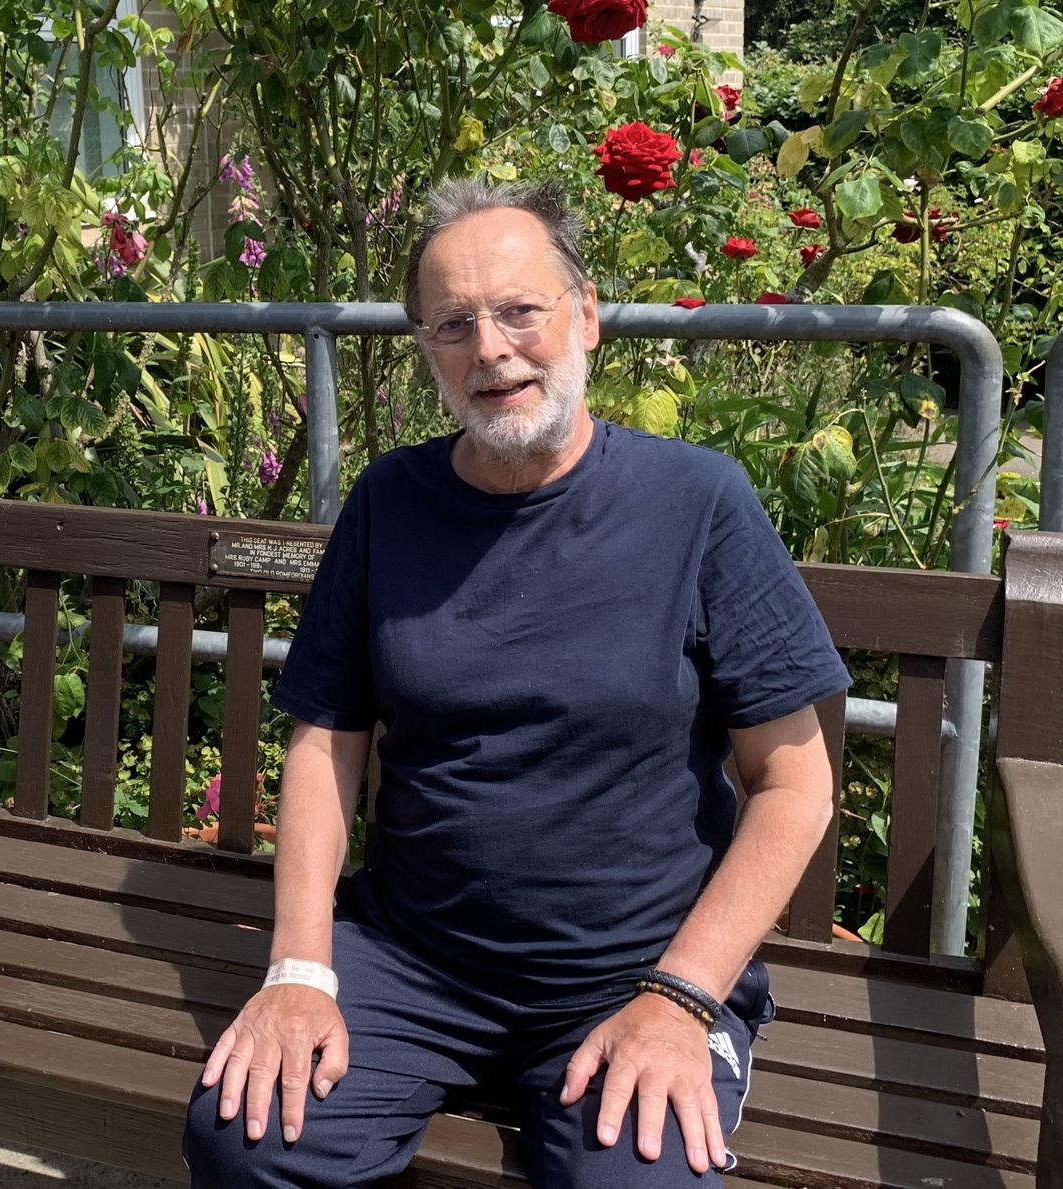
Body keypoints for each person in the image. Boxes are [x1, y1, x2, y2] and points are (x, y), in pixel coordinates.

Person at [182, 179, 852, 1188]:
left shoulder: (695, 501)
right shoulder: (388, 503)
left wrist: (680, 996)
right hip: (414, 961)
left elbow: (794, 784)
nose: (488, 348)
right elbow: (325, 740)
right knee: (246, 1144)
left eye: (518, 311)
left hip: (631, 969)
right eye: (452, 323)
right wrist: (298, 969)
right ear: (425, 349)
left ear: (583, 317)